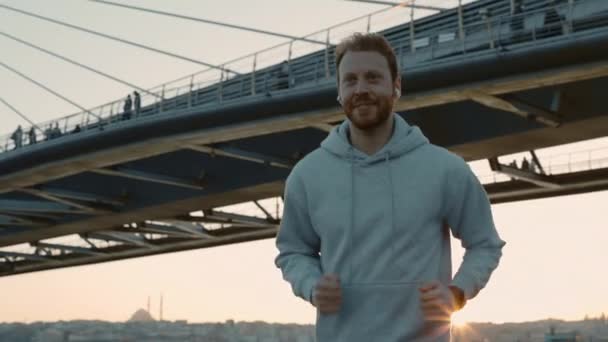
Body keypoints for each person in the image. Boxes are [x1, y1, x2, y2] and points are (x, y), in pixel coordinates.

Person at [275, 33, 505, 342]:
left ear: (397, 86)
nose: (361, 89)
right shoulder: (307, 176)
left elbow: (485, 243)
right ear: (339, 92)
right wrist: (311, 285)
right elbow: (293, 250)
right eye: (350, 80)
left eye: (373, 78)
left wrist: (457, 292)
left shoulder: (445, 169)